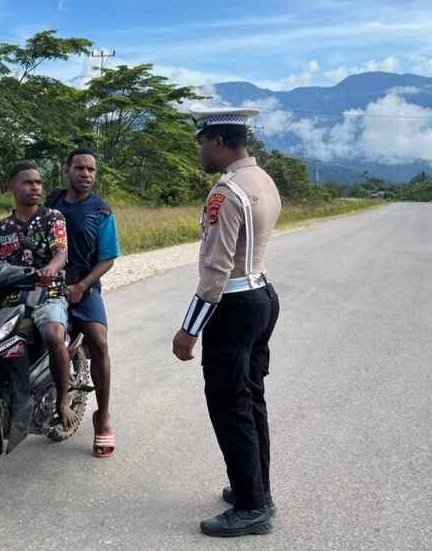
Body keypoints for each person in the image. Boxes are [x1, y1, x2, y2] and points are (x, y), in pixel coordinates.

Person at [171, 105, 282, 538]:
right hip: (262, 295)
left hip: (233, 306)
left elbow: (216, 271)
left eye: (202, 143)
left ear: (218, 141)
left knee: (230, 405)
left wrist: (190, 328)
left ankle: (252, 508)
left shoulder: (226, 192)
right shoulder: (262, 179)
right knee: (250, 399)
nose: (200, 151)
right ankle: (255, 490)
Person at [0, 161, 80, 429]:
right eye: (28, 182)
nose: (35, 187)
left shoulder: (53, 218)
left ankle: (62, 401)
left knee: (53, 334)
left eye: (38, 182)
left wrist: (51, 269)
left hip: (48, 294)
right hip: (8, 300)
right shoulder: (0, 229)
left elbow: (61, 252)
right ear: (12, 186)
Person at [46, 147, 121, 458]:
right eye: (79, 168)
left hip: (84, 289)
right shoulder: (53, 201)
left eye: (91, 170)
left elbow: (108, 258)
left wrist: (82, 286)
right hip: (50, 286)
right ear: (68, 170)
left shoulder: (101, 211)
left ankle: (102, 417)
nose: (86, 174)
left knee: (99, 344)